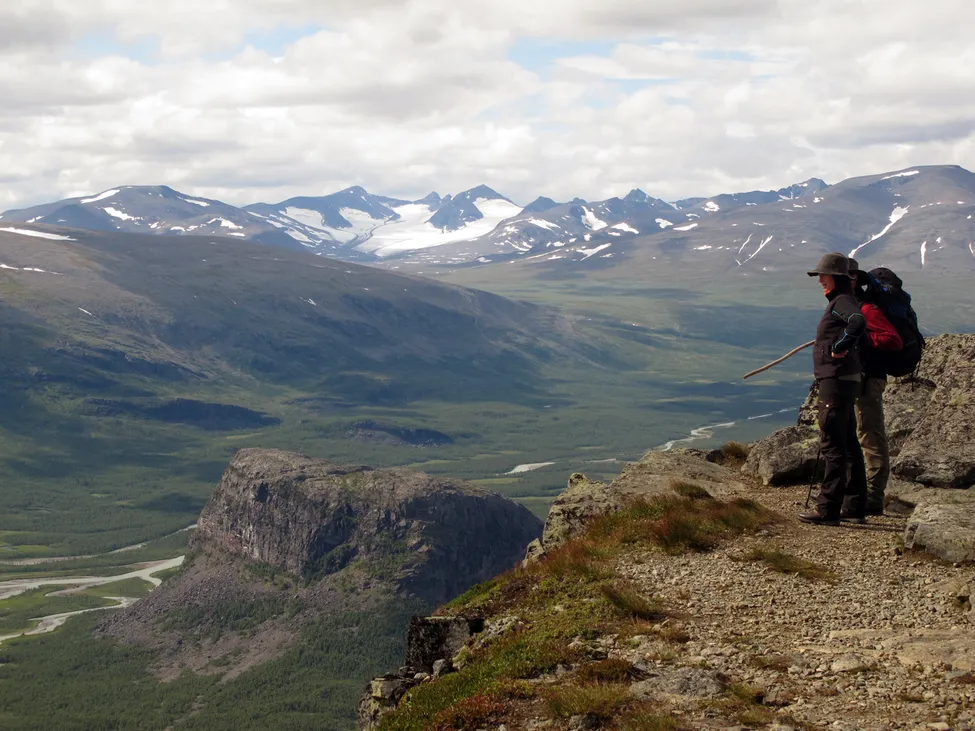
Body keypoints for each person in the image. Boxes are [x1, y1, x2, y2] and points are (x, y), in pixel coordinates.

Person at [798, 253, 869, 526]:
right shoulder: (844, 300)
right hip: (845, 379)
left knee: (833, 443)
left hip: (836, 380)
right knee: (849, 442)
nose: (820, 281)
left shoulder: (841, 302)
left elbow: (858, 323)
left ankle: (827, 509)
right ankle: (854, 506)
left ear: (836, 277)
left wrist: (839, 347)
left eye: (823, 276)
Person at [847, 258, 902, 516]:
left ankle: (873, 496)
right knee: (861, 433)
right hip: (860, 378)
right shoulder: (853, 307)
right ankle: (861, 492)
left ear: (854, 279)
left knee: (869, 435)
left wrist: (859, 334)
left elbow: (893, 340)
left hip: (869, 380)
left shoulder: (867, 310)